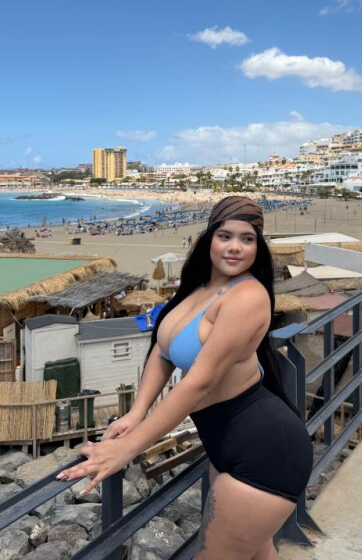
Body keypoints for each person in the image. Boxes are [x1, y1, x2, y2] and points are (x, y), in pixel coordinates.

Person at [56, 196, 312, 559]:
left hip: (266, 450)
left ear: (259, 247)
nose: (235, 247)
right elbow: (162, 351)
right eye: (225, 236)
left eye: (248, 239)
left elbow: (200, 383)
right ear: (209, 238)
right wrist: (136, 412)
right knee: (260, 554)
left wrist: (128, 448)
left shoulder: (249, 296)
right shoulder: (197, 289)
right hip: (225, 443)